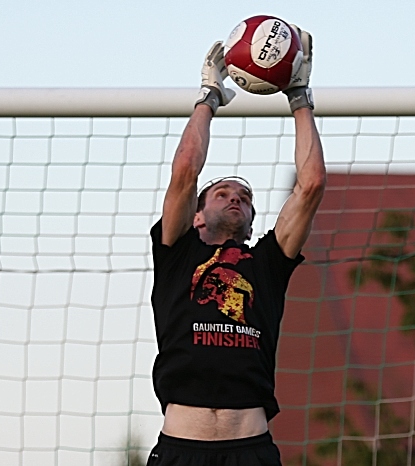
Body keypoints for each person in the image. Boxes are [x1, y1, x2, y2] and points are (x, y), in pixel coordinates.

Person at [147, 25, 325, 466]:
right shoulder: (177, 252)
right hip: (179, 449)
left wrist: (298, 95)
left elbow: (312, 183)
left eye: (245, 198)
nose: (236, 198)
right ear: (196, 215)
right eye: (223, 193)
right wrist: (209, 95)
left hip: (251, 449)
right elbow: (186, 169)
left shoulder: (265, 263)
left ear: (250, 222)